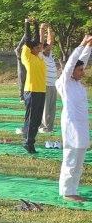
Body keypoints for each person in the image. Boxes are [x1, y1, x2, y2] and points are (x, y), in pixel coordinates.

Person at [57, 35, 92, 202]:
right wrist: (81, 44)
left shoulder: (77, 84)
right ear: (72, 72)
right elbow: (72, 63)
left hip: (82, 125)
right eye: (80, 70)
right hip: (71, 125)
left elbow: (81, 61)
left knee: (80, 159)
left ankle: (74, 189)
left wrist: (89, 47)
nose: (82, 72)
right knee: (71, 157)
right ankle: (67, 191)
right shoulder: (66, 83)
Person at [19, 18, 47, 154]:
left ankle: (29, 139)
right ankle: (28, 142)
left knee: (36, 118)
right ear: (31, 48)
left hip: (41, 91)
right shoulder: (27, 56)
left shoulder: (39, 57)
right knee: (31, 118)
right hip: (32, 91)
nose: (40, 48)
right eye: (37, 47)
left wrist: (36, 24)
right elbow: (28, 40)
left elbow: (36, 39)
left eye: (40, 46)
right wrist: (27, 24)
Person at [40, 24, 59, 134]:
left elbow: (50, 41)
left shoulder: (50, 55)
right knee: (45, 108)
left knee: (52, 108)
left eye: (49, 49)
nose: (48, 50)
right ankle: (43, 127)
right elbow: (42, 42)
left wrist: (49, 29)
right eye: (46, 49)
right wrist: (42, 30)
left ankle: (50, 127)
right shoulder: (41, 56)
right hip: (45, 85)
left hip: (53, 85)